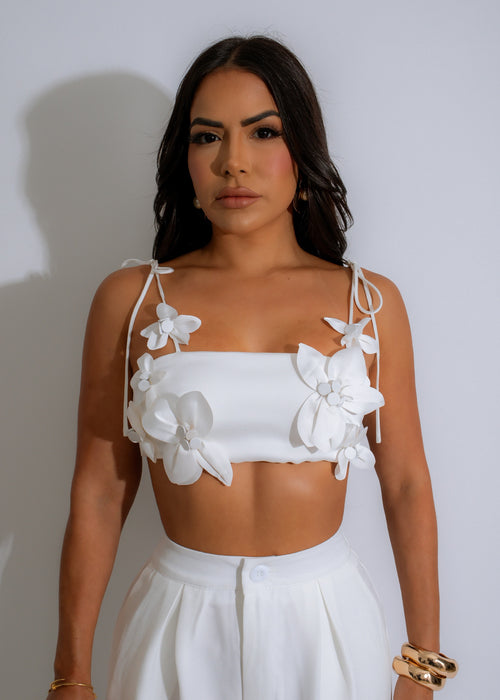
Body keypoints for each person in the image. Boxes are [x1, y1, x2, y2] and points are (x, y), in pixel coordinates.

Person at [46, 36, 457, 700]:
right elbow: (98, 491)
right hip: (176, 624)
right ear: (184, 160)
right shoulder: (132, 301)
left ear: (303, 150)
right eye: (207, 137)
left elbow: (407, 483)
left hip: (327, 625)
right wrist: (70, 675)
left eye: (263, 132)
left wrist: (423, 667)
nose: (232, 161)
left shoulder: (369, 303)